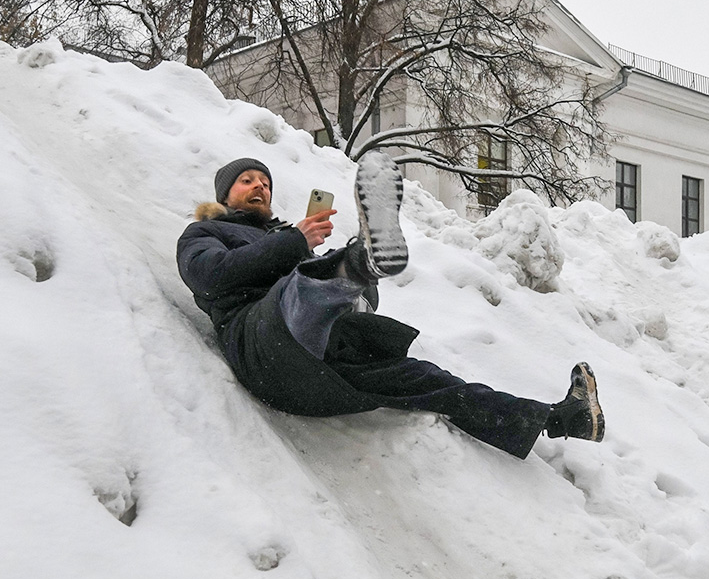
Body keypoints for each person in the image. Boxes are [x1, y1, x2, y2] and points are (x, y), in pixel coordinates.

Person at [176, 153, 604, 459]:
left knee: (431, 380)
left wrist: (352, 284)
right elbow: (212, 278)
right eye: (247, 180)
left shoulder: (291, 241)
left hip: (320, 378)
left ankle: (562, 419)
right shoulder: (204, 235)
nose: (260, 186)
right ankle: (358, 261)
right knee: (303, 286)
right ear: (225, 195)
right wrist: (293, 244)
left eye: (265, 182)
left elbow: (366, 305)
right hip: (263, 349)